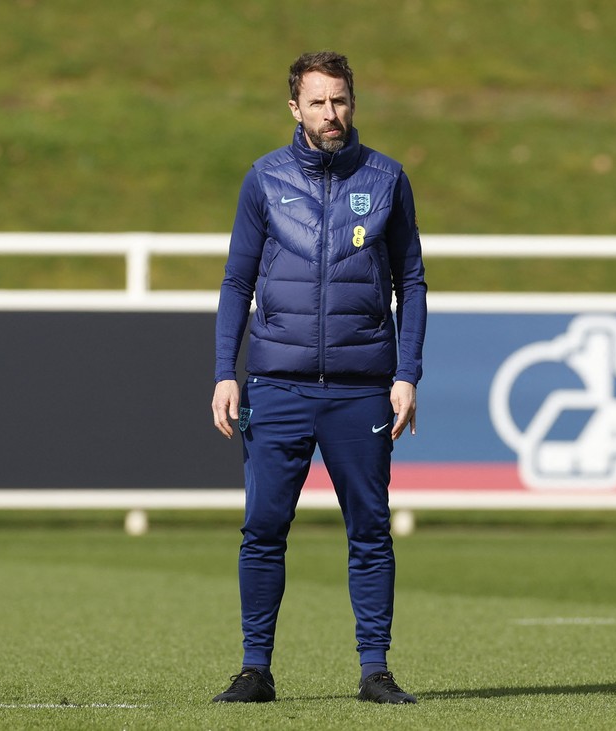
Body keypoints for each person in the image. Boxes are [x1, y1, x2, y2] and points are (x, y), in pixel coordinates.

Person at [210, 51, 427, 705]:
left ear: (352, 101)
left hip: (363, 385)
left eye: (340, 100)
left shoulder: (387, 178)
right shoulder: (264, 180)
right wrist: (226, 370)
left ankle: (375, 669)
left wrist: (407, 371)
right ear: (294, 108)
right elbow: (236, 280)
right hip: (278, 383)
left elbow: (411, 281)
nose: (330, 114)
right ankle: (254, 668)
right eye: (317, 102)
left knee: (369, 528)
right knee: (264, 526)